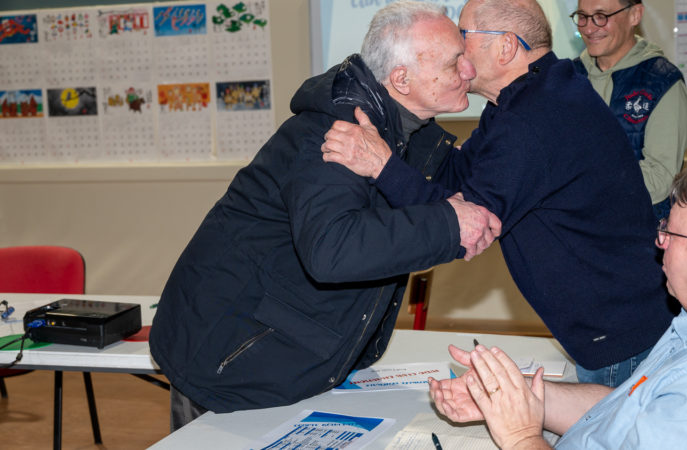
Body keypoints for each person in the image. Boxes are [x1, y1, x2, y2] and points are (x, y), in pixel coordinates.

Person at [149, 1, 502, 429]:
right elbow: (333, 249)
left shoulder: (414, 136)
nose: (469, 70)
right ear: (401, 79)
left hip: (290, 360)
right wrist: (449, 224)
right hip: (228, 360)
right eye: (453, 62)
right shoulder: (334, 134)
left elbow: (455, 202)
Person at [322, 0, 674, 387]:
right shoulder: (536, 93)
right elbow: (457, 176)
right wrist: (414, 107)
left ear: (506, 46)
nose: (455, 47)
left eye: (464, 36)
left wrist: (382, 166)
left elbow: (468, 227)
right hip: (622, 323)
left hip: (623, 341)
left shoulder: (532, 120)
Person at [430, 158, 687, 449]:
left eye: (669, 233)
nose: (659, 242)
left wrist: (520, 436)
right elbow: (630, 408)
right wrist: (518, 396)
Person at [571, 0, 687, 222]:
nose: (589, 28)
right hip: (575, 229)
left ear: (635, 15)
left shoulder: (663, 83)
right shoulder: (567, 78)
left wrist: (580, 183)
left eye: (601, 16)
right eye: (582, 16)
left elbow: (660, 179)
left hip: (637, 231)